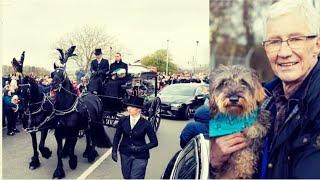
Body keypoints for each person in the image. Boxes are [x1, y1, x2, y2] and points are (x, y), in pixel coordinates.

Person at [210, 0, 320, 178]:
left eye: (295, 39)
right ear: (266, 47)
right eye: (274, 41)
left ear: (317, 45)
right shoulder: (266, 100)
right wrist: (214, 159)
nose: (284, 52)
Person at [112, 96, 158, 179]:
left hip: (140, 156)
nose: (128, 108)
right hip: (125, 153)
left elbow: (154, 142)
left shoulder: (146, 124)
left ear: (139, 110)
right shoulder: (123, 120)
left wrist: (140, 148)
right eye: (128, 106)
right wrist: (114, 151)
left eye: (132, 107)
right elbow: (117, 136)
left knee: (135, 177)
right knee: (126, 176)